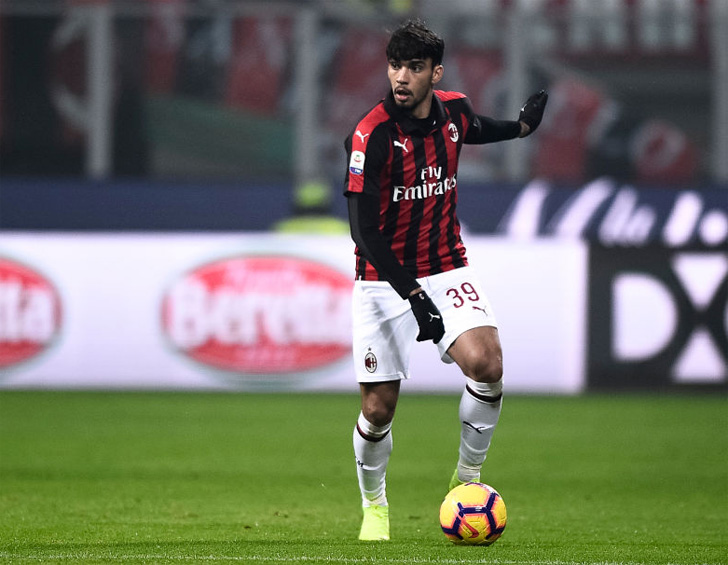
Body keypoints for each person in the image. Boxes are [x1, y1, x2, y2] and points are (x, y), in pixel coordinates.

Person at [343, 19, 548, 541]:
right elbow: (365, 234)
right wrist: (412, 295)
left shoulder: (452, 110)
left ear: (436, 73)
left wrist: (522, 128)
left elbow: (476, 127)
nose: (401, 78)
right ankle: (375, 505)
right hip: (382, 280)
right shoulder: (371, 136)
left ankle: (468, 479)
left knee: (488, 366)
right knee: (378, 409)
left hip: (446, 265)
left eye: (414, 67)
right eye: (395, 66)